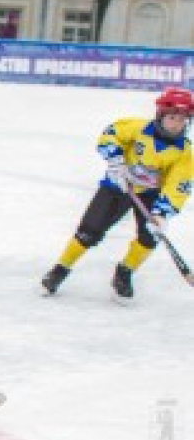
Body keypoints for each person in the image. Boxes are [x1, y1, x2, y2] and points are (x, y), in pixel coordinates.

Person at [41, 87, 193, 301]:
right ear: (160, 115)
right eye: (172, 117)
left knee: (149, 238)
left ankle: (124, 273)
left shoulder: (184, 153)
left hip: (149, 194)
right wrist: (115, 160)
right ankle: (59, 270)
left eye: (183, 119)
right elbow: (110, 135)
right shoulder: (137, 128)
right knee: (88, 233)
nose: (177, 123)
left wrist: (161, 214)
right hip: (116, 187)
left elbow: (178, 185)